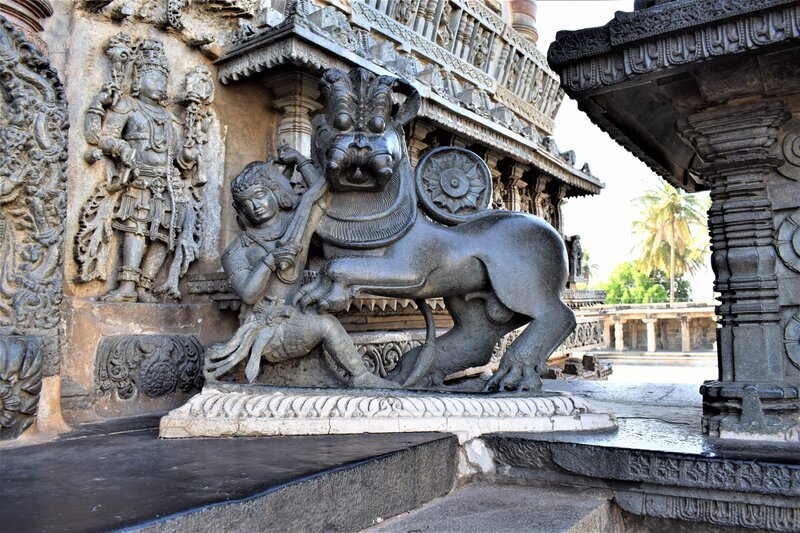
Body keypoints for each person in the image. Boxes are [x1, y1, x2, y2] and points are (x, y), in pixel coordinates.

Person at [204, 157, 396, 388]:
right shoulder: (237, 251)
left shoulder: (294, 227)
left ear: (275, 192)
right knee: (326, 325)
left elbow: (319, 198)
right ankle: (361, 377)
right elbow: (248, 294)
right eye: (246, 204)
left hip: (294, 313)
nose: (255, 206)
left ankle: (361, 377)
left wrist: (301, 161)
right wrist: (270, 259)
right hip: (264, 328)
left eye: (260, 195)